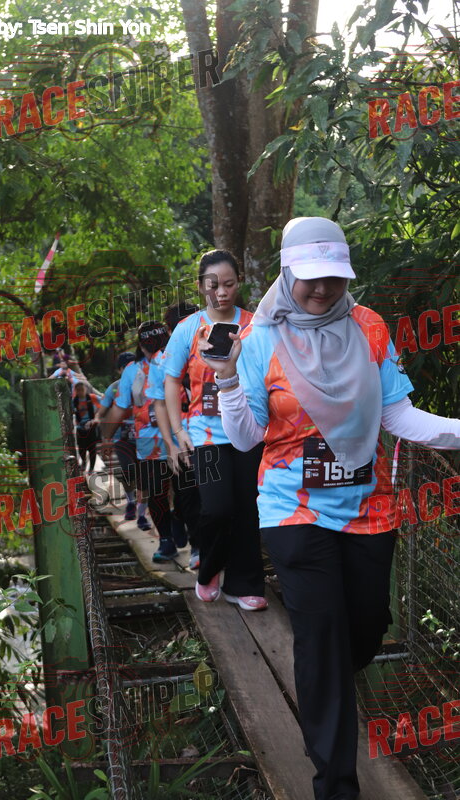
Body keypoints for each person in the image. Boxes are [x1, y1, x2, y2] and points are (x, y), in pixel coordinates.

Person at [199, 217, 460, 800]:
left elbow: (397, 415)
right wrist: (227, 381)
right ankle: (335, 783)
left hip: (369, 507)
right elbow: (245, 437)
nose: (322, 289)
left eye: (334, 277)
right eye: (310, 277)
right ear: (287, 271)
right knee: (320, 639)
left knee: (363, 629)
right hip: (293, 509)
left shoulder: (368, 327)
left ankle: (329, 682)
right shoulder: (259, 339)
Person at [164, 250, 267, 611]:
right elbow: (171, 381)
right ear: (200, 286)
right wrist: (178, 432)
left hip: (250, 430)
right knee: (218, 508)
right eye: (213, 285)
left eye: (229, 284)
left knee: (248, 509)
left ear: (239, 283)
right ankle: (208, 571)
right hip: (206, 434)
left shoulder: (255, 326)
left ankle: (245, 584)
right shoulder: (187, 329)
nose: (221, 292)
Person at [101, 321, 178, 562]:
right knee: (157, 493)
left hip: (182, 439)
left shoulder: (180, 359)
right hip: (149, 444)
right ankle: (167, 540)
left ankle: (188, 537)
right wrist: (106, 436)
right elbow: (120, 405)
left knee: (184, 492)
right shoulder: (132, 371)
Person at [146, 302, 202, 570]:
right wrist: (170, 443)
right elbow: (159, 403)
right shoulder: (161, 360)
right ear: (170, 331)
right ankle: (198, 545)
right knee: (187, 492)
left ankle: (190, 528)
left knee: (210, 494)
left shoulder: (213, 347)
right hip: (182, 437)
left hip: (214, 434)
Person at [98, 352, 150, 526]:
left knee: (144, 476)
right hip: (122, 438)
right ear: (120, 370)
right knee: (128, 471)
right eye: (125, 367)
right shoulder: (113, 388)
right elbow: (103, 412)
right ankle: (130, 502)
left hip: (145, 437)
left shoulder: (148, 383)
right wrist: (105, 438)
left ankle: (142, 514)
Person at [72, 382, 101, 475]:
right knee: (81, 448)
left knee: (92, 448)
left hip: (91, 425)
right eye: (78, 390)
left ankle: (91, 468)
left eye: (82, 390)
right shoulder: (74, 401)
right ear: (76, 391)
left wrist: (96, 418)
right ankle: (83, 462)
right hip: (80, 427)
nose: (80, 392)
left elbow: (103, 405)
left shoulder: (93, 398)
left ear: (85, 389)